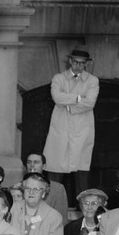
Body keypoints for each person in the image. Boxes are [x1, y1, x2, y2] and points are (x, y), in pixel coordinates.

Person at [43, 49, 100, 198]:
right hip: (61, 127)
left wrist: (68, 104)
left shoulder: (92, 81)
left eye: (82, 63)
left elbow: (91, 102)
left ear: (86, 64)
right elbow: (57, 97)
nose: (78, 66)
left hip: (82, 128)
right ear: (70, 61)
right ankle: (51, 205)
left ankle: (84, 210)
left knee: (81, 171)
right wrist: (79, 98)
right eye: (75, 62)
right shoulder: (59, 78)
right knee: (56, 168)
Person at [25, 151, 69, 223]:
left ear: (44, 166)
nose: (32, 165)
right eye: (29, 162)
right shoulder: (18, 187)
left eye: (36, 162)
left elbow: (62, 218)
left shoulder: (57, 188)